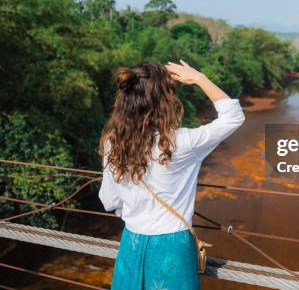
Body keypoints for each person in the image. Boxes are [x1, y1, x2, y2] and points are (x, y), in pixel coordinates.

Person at [98, 60, 245, 290]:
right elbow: (233, 117)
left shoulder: (112, 142)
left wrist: (137, 213)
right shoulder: (181, 143)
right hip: (172, 246)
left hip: (132, 243)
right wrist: (199, 78)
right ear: (164, 101)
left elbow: (109, 200)